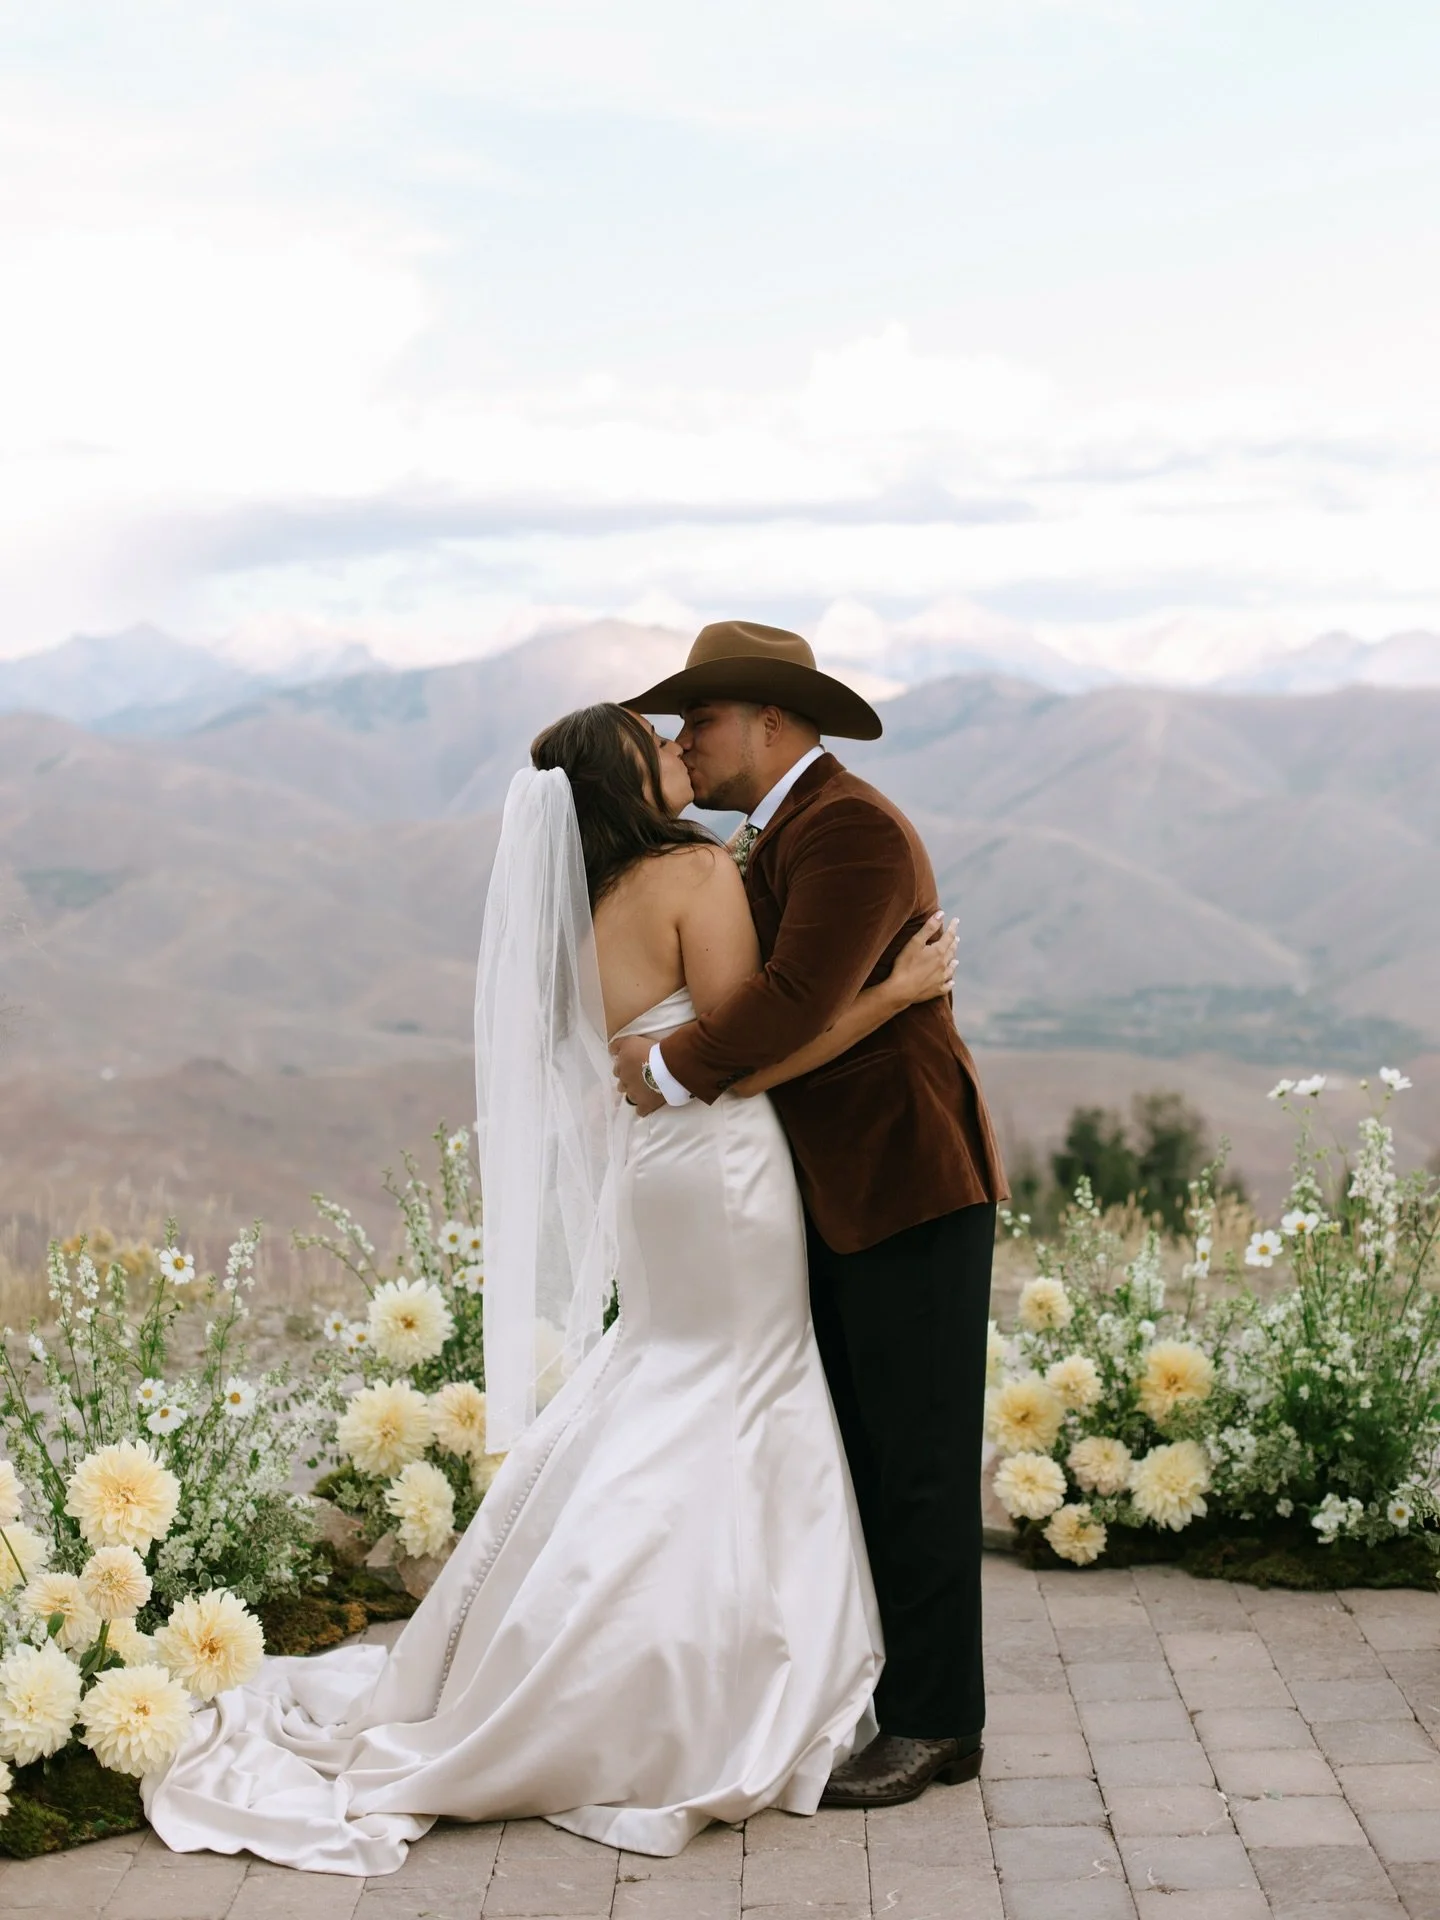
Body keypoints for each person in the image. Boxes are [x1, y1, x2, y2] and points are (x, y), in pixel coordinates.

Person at [142, 699, 955, 1875]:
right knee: (739, 1388)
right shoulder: (690, 875)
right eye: (658, 750)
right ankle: (702, 1673)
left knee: (667, 1376)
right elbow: (743, 1057)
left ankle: (597, 1634)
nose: (680, 749)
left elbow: (649, 1060)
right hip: (723, 1173)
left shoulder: (587, 903)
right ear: (630, 788)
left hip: (657, 1180)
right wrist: (893, 996)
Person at [613, 620, 1009, 1809]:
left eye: (703, 721)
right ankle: (887, 1692)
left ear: (771, 722)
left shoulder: (849, 828)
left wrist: (672, 1072)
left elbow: (792, 1000)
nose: (687, 741)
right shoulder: (773, 832)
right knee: (860, 1450)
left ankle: (941, 1725)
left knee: (919, 1462)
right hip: (827, 1193)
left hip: (904, 1185)